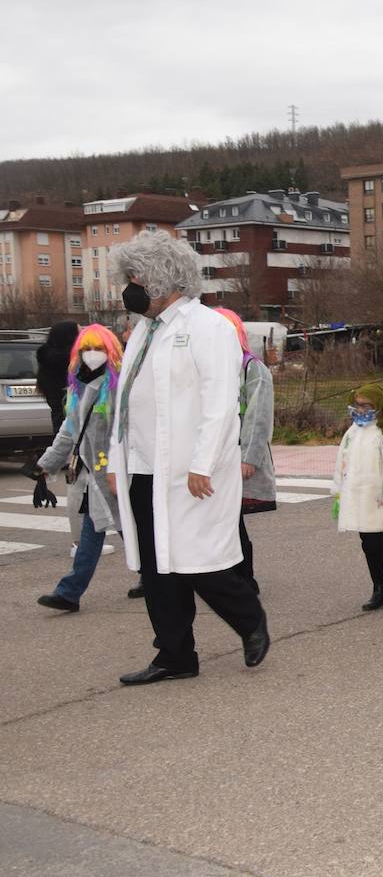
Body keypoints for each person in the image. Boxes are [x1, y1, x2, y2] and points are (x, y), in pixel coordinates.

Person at [106, 230, 269, 685]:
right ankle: (175, 655)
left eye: (138, 276)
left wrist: (202, 461)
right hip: (143, 468)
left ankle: (249, 618)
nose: (131, 286)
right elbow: (126, 403)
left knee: (198, 561)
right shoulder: (143, 330)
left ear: (165, 277)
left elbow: (220, 401)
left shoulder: (207, 326)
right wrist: (117, 462)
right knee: (158, 570)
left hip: (189, 470)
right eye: (129, 276)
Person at [34, 325, 130, 612]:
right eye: (87, 349)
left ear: (110, 351)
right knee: (95, 529)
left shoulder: (118, 386)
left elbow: (125, 432)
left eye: (99, 349)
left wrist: (117, 468)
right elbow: (69, 430)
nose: (92, 355)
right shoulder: (77, 384)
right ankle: (70, 592)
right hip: (95, 475)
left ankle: (160, 578)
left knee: (130, 528)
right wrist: (46, 464)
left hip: (117, 474)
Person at [331, 383, 383, 611]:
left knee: (373, 542)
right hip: (356, 495)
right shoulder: (353, 432)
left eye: (366, 405)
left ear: (379, 407)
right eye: (357, 405)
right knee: (368, 543)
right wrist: (338, 489)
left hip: (377, 497)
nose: (360, 410)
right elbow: (341, 460)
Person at [213, 308, 276, 594]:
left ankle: (244, 579)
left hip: (237, 457)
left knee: (232, 519)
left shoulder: (253, 369)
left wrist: (249, 457)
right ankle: (231, 576)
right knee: (224, 520)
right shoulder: (212, 370)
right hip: (215, 458)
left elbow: (258, 415)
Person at [36, 321, 80, 434]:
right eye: (79, 332)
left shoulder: (48, 356)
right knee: (64, 430)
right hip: (65, 406)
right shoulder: (63, 359)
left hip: (61, 408)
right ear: (69, 336)